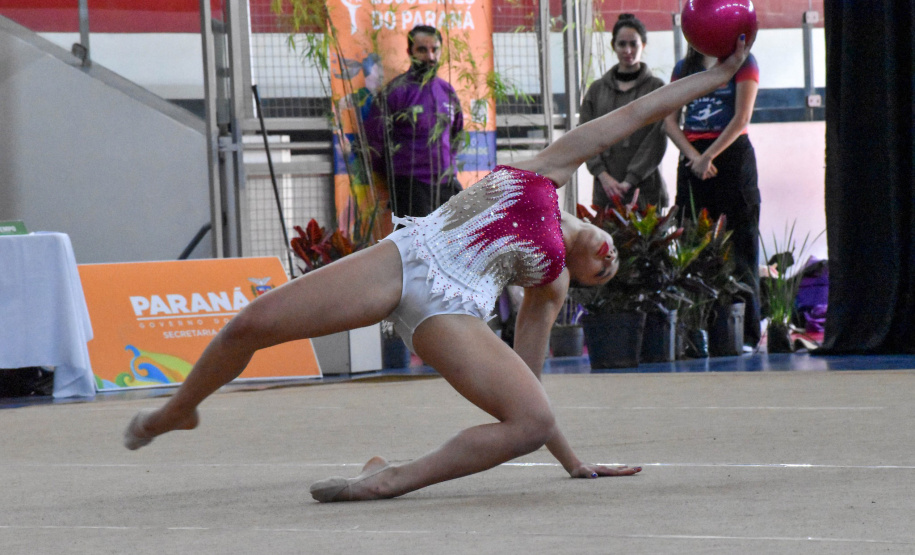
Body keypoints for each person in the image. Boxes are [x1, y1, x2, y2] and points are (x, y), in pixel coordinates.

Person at [124, 37, 754, 503]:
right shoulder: (550, 168)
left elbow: (529, 392)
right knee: (249, 324)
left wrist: (573, 461)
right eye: (610, 253)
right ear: (599, 225)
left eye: (603, 277)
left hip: (450, 313)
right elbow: (637, 113)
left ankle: (391, 479)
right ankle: (179, 408)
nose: (608, 261)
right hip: (405, 258)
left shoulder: (552, 280)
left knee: (528, 421)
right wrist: (715, 74)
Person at [663, 45, 762, 349]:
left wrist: (709, 155)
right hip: (693, 160)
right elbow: (669, 119)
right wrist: (694, 156)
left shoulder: (743, 61)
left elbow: (742, 117)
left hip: (730, 158)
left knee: (739, 243)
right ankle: (696, 330)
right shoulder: (683, 68)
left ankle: (744, 333)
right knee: (693, 242)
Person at [365, 25, 464, 218]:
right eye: (422, 50)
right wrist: (397, 177)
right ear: (409, 52)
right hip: (410, 186)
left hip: (445, 182)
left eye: (435, 49)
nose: (430, 56)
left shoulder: (447, 91)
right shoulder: (395, 92)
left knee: (461, 236)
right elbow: (375, 143)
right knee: (417, 245)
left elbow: (456, 134)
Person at [579, 13, 668, 210]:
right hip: (606, 190)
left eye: (633, 44)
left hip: (644, 189)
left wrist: (630, 179)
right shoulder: (597, 90)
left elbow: (657, 138)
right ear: (614, 46)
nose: (628, 50)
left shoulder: (656, 88)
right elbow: (584, 134)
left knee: (646, 241)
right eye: (622, 44)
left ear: (643, 45)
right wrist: (602, 175)